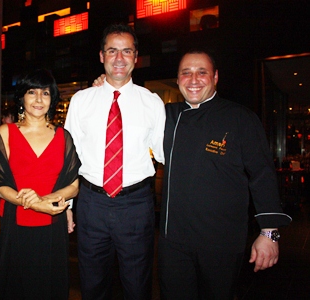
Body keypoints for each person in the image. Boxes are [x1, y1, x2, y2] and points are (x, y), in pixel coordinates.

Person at [157, 49, 292, 299]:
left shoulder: (240, 118)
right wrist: (104, 84)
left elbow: (262, 174)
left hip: (221, 243)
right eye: (186, 73)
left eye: (202, 72)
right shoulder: (166, 115)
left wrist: (269, 232)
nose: (193, 79)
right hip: (173, 242)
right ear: (177, 79)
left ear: (216, 77)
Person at [64, 23, 166, 300]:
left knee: (137, 285)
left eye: (126, 51)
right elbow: (69, 158)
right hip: (91, 203)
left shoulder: (152, 103)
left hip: (136, 204)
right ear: (101, 56)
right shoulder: (81, 100)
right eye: (112, 51)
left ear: (136, 57)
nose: (119, 58)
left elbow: (164, 153)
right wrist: (68, 206)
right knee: (92, 284)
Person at [0, 68, 81, 300]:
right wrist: (30, 203)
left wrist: (43, 201)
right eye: (32, 92)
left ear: (52, 99)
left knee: (49, 286)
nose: (39, 99)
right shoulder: (6, 132)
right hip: (16, 224)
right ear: (22, 96)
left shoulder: (63, 136)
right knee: (17, 287)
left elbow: (73, 184)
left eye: (45, 93)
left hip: (53, 225)